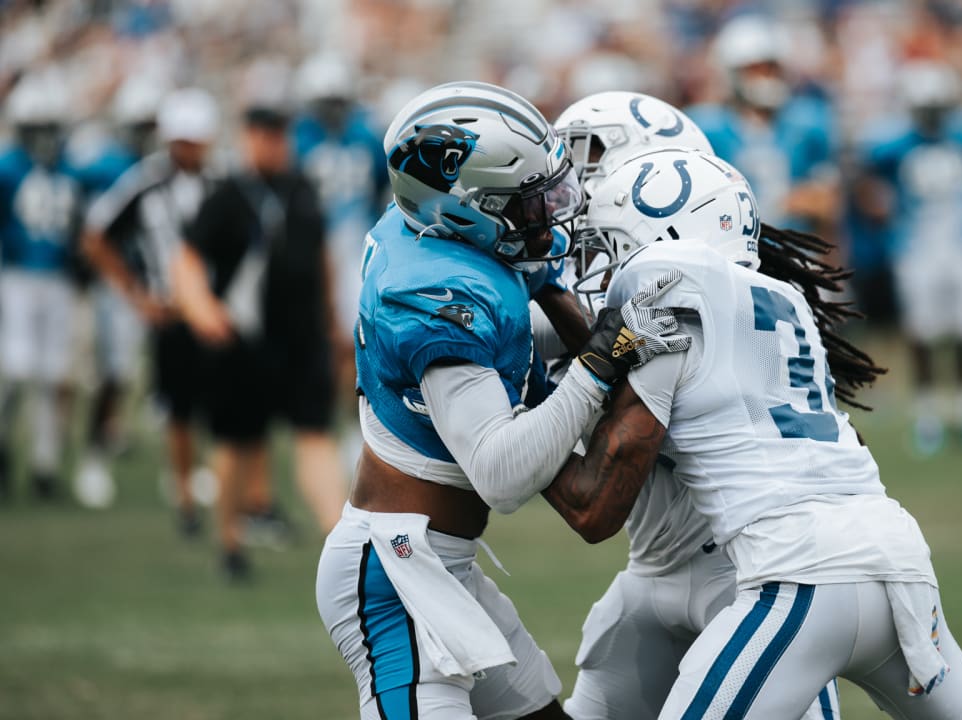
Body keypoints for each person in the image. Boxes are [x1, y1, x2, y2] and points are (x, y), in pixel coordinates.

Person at [543, 146, 962, 719]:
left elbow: (595, 506)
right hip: (900, 565)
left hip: (797, 580)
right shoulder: (787, 299)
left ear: (668, 234)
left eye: (611, 242)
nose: (602, 262)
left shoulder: (667, 289)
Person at [313, 81, 690, 720]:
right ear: (467, 210)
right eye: (528, 202)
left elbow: (521, 315)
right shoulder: (435, 295)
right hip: (396, 575)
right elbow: (502, 474)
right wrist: (599, 362)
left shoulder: (438, 232)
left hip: (440, 560)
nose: (549, 211)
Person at [553, 91, 840, 720]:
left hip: (751, 573)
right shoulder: (647, 279)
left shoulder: (688, 296)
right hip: (654, 568)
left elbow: (594, 503)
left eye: (589, 155)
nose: (569, 177)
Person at [171, 103, 347, 579]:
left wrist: (331, 319)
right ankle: (230, 543)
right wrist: (202, 310)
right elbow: (187, 260)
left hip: (302, 340)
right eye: (264, 134)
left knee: (316, 435)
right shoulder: (227, 195)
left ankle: (342, 544)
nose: (274, 143)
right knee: (235, 443)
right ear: (247, 138)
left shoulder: (302, 188)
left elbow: (322, 256)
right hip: (243, 345)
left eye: (280, 134)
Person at [80, 87, 219, 521]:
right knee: (162, 397)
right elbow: (96, 236)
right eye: (182, 139)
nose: (188, 148)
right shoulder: (147, 180)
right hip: (167, 309)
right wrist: (136, 293)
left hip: (212, 308)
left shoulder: (222, 181)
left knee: (211, 400)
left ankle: (196, 477)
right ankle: (178, 491)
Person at [861, 62, 962, 456]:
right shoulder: (894, 146)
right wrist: (880, 208)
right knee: (922, 335)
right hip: (918, 249)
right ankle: (928, 418)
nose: (932, 115)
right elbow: (866, 178)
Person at [70, 74, 165, 508]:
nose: (146, 134)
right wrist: (126, 285)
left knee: (170, 378)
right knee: (116, 373)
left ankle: (177, 469)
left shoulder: (162, 167)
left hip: (160, 284)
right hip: (126, 286)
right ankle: (92, 460)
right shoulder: (113, 168)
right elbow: (93, 233)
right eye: (140, 125)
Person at [292, 52, 387, 469]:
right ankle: (317, 427)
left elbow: (389, 189)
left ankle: (347, 428)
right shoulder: (299, 139)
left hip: (352, 251)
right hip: (308, 249)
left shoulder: (366, 136)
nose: (331, 109)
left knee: (349, 341)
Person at [0, 71, 86, 502]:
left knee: (53, 375)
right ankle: (4, 446)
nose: (44, 138)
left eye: (49, 128)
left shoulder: (72, 167)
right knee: (16, 371)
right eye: (37, 129)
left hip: (58, 280)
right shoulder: (7, 167)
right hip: (15, 277)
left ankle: (45, 465)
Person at [686, 14, 839, 233]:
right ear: (731, 74)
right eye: (754, 70)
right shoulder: (706, 127)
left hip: (795, 250)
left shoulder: (808, 121)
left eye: (770, 69)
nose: (764, 78)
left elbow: (826, 203)